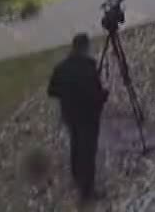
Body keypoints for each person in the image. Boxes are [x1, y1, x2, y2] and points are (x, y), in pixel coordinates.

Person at [47, 33, 108, 204]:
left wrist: (67, 94)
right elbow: (96, 94)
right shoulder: (89, 67)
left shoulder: (60, 68)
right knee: (88, 152)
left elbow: (51, 91)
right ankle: (87, 192)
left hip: (69, 115)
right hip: (88, 117)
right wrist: (104, 96)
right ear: (85, 48)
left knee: (75, 144)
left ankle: (76, 176)